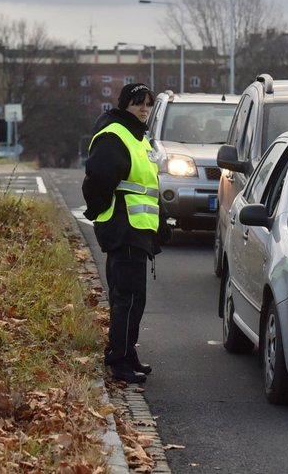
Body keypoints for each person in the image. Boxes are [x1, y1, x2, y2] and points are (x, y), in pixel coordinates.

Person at [82, 82, 169, 384]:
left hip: (138, 230)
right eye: (138, 103)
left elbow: (147, 187)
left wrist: (161, 223)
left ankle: (126, 352)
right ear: (124, 105)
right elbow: (98, 179)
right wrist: (100, 213)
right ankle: (117, 359)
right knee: (128, 299)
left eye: (148, 103)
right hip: (125, 229)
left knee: (130, 297)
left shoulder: (138, 137)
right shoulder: (116, 135)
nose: (144, 109)